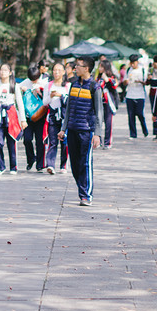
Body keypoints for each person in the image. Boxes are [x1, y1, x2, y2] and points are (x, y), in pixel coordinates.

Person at [61, 56, 103, 205]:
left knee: (85, 163)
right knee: (74, 164)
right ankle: (83, 188)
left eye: (78, 66)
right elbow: (68, 110)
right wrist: (63, 128)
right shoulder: (73, 85)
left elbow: (99, 112)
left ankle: (86, 195)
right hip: (72, 129)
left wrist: (97, 134)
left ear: (86, 68)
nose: (75, 68)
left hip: (87, 131)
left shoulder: (95, 87)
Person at [0, 62, 26, 174]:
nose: (2, 72)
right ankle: (1, 166)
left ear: (10, 73)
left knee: (11, 142)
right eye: (1, 70)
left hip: (11, 115)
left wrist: (23, 120)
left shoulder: (14, 85)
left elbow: (20, 103)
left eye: (5, 70)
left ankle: (13, 167)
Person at [19, 64, 47, 171]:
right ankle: (31, 159)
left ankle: (40, 164)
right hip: (28, 117)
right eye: (32, 80)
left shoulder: (44, 83)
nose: (34, 82)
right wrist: (23, 89)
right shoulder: (26, 82)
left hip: (40, 117)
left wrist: (40, 92)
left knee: (40, 141)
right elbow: (17, 90)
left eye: (35, 80)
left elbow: (47, 99)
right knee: (27, 139)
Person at [43, 62, 68, 174]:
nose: (56, 72)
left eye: (59, 70)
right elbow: (44, 102)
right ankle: (50, 165)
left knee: (64, 142)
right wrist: (51, 96)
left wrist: (61, 96)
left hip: (65, 116)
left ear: (63, 72)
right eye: (54, 70)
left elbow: (70, 102)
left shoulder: (68, 86)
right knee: (53, 141)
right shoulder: (48, 85)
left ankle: (63, 165)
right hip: (53, 116)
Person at [121, 53, 149, 138]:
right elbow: (124, 82)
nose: (132, 64)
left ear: (137, 62)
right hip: (130, 95)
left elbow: (146, 82)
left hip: (140, 95)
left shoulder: (142, 70)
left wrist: (140, 81)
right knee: (131, 115)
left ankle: (145, 130)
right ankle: (133, 134)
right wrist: (126, 81)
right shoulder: (128, 70)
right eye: (131, 63)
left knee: (140, 113)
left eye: (134, 63)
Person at [96, 59, 120, 149]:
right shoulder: (98, 78)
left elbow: (114, 85)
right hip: (99, 103)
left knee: (108, 123)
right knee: (98, 123)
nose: (100, 68)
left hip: (109, 103)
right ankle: (99, 142)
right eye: (99, 66)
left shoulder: (112, 77)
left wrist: (107, 80)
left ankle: (107, 143)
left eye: (101, 66)